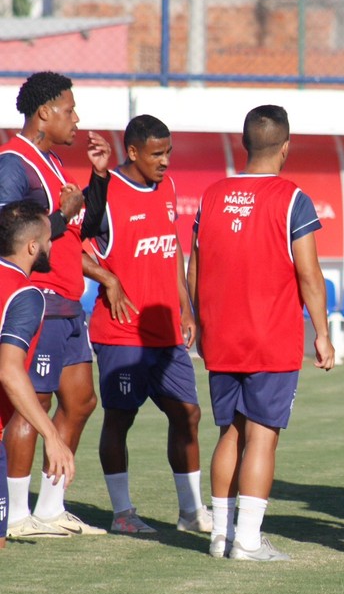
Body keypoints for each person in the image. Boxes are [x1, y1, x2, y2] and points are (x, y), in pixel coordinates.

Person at [189, 105, 334, 561]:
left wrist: (199, 317)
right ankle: (248, 542)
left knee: (229, 433)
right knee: (263, 435)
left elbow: (195, 267)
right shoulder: (292, 199)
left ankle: (220, 536)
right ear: (286, 147)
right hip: (270, 338)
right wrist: (323, 332)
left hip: (222, 337)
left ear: (243, 143)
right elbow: (309, 274)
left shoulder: (211, 195)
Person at [80, 114, 211, 534]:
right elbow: (70, 248)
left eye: (169, 152)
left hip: (166, 330)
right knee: (121, 419)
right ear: (133, 152)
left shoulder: (167, 187)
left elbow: (171, 249)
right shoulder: (107, 192)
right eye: (157, 154)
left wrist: (185, 305)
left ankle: (191, 513)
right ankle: (122, 514)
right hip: (121, 332)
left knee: (188, 414)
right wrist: (109, 278)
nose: (166, 161)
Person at [0, 71, 111, 537]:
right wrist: (61, 216)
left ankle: (50, 507)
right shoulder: (14, 162)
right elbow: (8, 229)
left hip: (68, 298)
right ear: (43, 113)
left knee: (82, 401)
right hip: (37, 297)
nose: (76, 118)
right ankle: (18, 514)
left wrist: (99, 180)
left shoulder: (53, 163)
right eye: (68, 109)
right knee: (34, 402)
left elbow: (81, 228)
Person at [0, 200, 75, 548]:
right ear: (32, 247)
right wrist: (52, 436)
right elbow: (9, 371)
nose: (50, 246)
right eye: (48, 239)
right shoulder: (25, 294)